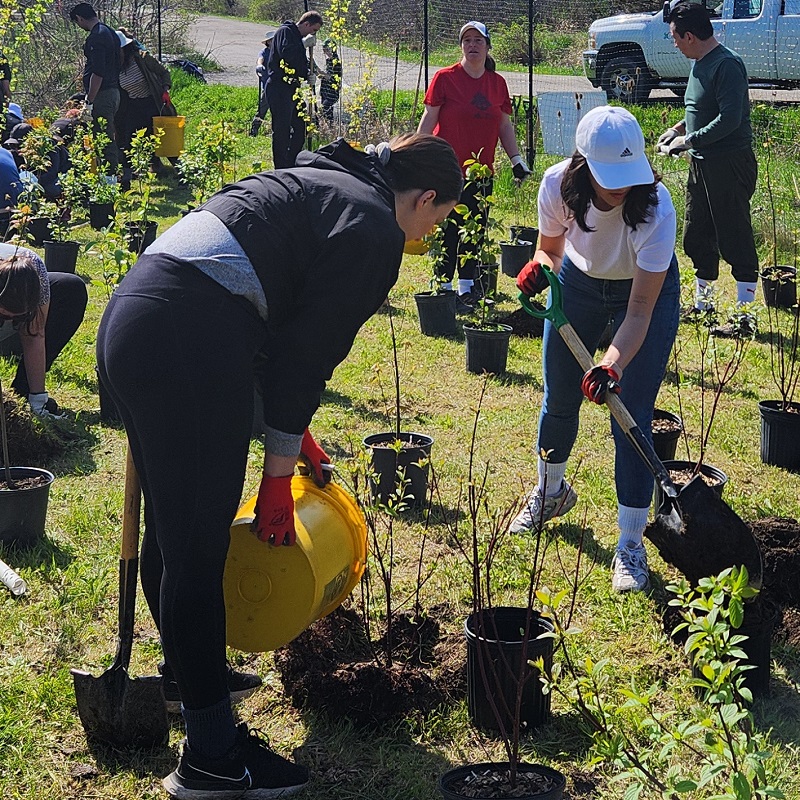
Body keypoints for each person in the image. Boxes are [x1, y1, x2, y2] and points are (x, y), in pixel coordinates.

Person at [95, 133, 462, 798]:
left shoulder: (325, 179)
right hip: (186, 342)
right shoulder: (373, 226)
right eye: (433, 221)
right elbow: (301, 362)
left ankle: (187, 677)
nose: (425, 234)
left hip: (141, 316)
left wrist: (300, 440)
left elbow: (265, 317)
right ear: (425, 197)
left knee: (175, 537)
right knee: (196, 552)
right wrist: (275, 482)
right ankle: (210, 758)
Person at [509, 106, 679, 594]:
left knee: (630, 411)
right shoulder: (557, 186)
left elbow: (641, 310)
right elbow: (552, 249)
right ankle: (551, 492)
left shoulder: (656, 208)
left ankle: (630, 542)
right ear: (583, 166)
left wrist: (613, 362)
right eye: (610, 178)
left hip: (644, 293)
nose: (620, 186)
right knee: (559, 396)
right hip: (579, 285)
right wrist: (539, 265)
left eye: (628, 174)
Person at [658, 0, 758, 338]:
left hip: (728, 163)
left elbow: (730, 118)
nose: (673, 42)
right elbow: (700, 109)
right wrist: (677, 130)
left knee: (735, 235)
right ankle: (704, 306)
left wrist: (689, 141)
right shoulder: (699, 62)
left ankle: (746, 319)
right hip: (702, 163)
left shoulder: (727, 65)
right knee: (697, 233)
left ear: (689, 35)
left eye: (674, 36)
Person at [417, 21, 530, 313]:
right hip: (446, 170)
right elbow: (429, 120)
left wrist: (516, 159)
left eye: (478, 40)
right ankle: (442, 288)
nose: (472, 45)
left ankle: (467, 289)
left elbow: (504, 125)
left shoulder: (497, 84)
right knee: (447, 228)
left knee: (474, 229)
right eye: (466, 40)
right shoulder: (445, 78)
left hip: (481, 172)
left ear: (487, 45)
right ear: (461, 47)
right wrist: (414, 154)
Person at [0, 242, 88, 417]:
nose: (12, 320)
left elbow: (35, 335)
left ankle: (23, 392)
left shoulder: (36, 271)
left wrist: (37, 398)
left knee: (71, 288)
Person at [114, 28, 174, 181]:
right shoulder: (115, 67)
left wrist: (165, 90)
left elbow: (164, 73)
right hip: (133, 106)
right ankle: (127, 177)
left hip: (152, 103)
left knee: (162, 138)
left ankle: (183, 171)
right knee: (129, 140)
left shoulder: (142, 58)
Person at [266, 11, 323, 168]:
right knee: (282, 129)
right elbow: (287, 54)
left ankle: (290, 161)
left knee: (301, 126)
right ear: (306, 24)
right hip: (279, 87)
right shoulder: (285, 32)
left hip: (292, 88)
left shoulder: (297, 39)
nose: (314, 34)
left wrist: (308, 75)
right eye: (314, 30)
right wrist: (303, 44)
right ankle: (280, 167)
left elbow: (297, 63)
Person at [69, 3, 122, 173]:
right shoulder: (109, 32)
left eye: (77, 22)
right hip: (114, 91)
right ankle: (108, 177)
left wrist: (89, 100)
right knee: (105, 136)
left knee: (103, 139)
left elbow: (98, 72)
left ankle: (109, 181)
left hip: (103, 94)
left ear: (80, 18)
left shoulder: (97, 37)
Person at [249, 31, 274, 137]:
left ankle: (275, 131)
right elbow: (260, 59)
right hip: (267, 86)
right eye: (271, 40)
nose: (273, 42)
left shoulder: (278, 52)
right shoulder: (264, 52)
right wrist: (259, 66)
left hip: (278, 85)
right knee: (262, 108)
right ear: (267, 42)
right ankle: (254, 130)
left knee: (277, 110)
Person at [318, 38, 342, 124]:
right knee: (326, 113)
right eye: (323, 50)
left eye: (326, 50)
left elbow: (331, 78)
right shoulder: (328, 61)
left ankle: (331, 128)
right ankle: (328, 129)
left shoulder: (335, 62)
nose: (324, 52)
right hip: (325, 91)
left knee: (326, 111)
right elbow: (324, 76)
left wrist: (320, 72)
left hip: (331, 93)